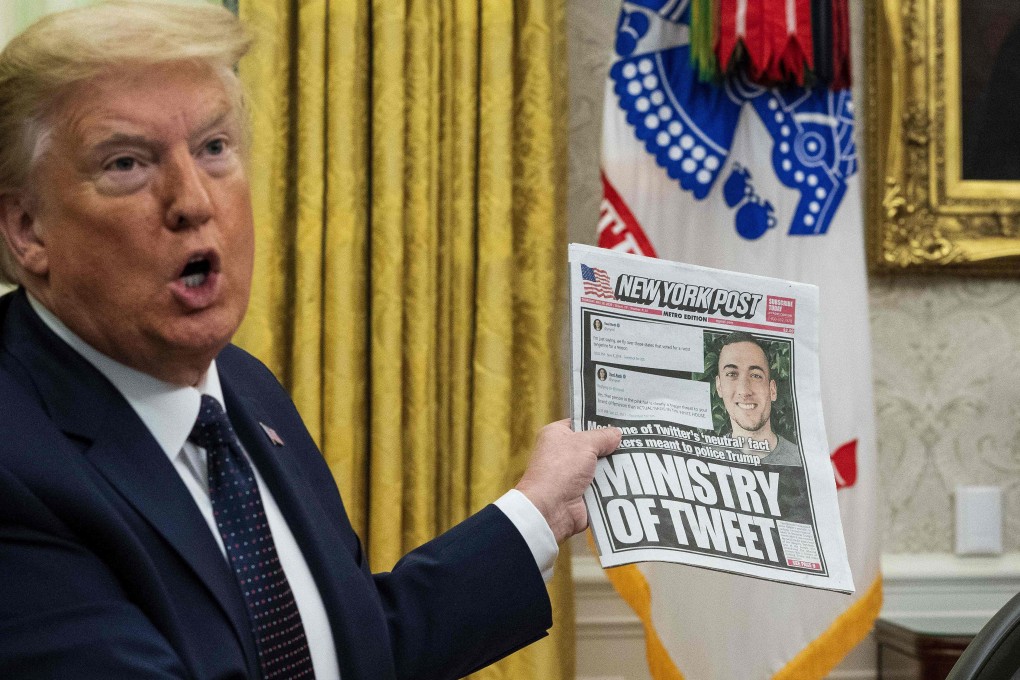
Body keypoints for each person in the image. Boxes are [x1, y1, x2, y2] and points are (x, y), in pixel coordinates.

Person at [0, 3, 621, 679]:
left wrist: (539, 510)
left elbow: (346, 652)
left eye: (213, 148)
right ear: (27, 227)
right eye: (127, 163)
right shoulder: (16, 461)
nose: (193, 200)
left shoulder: (244, 387)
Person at [714, 332, 801, 466]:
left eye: (755, 375)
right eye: (731, 374)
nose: (744, 391)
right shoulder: (705, 456)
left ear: (772, 390)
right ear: (719, 387)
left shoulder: (799, 460)